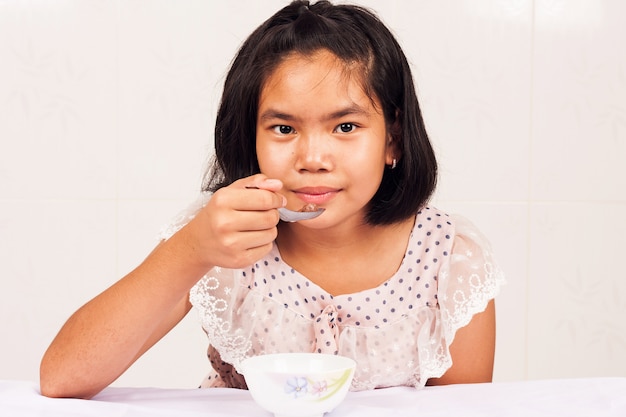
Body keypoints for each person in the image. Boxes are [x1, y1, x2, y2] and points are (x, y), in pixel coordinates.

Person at [40, 0, 504, 399]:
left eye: (346, 127)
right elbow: (63, 378)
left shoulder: (449, 258)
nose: (313, 158)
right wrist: (191, 249)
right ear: (251, 139)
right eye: (284, 129)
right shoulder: (220, 237)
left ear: (393, 140)